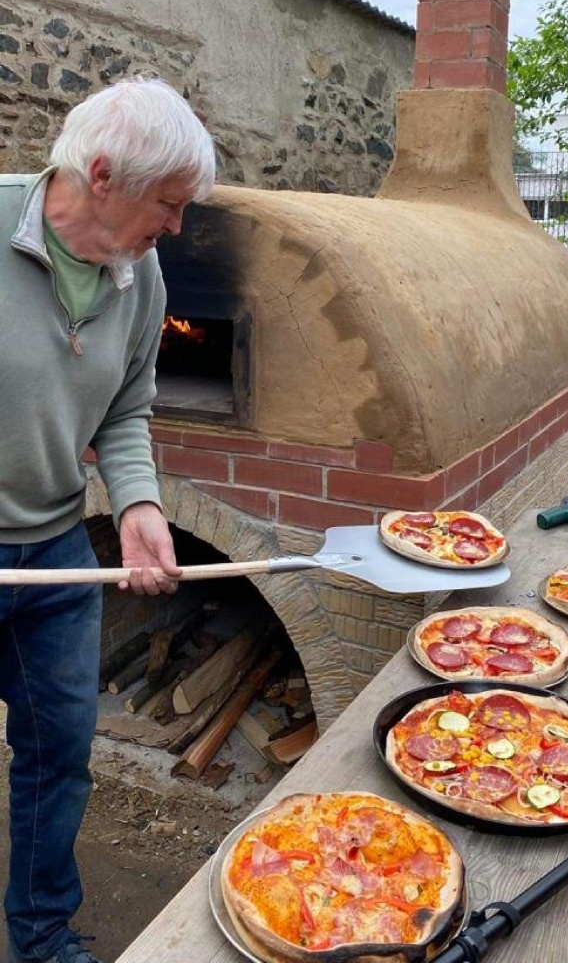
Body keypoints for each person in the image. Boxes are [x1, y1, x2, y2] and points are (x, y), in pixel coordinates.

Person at [0, 76, 216, 963]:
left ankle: (42, 936)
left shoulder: (141, 271)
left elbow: (127, 408)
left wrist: (137, 505)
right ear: (99, 175)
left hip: (55, 553)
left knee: (59, 756)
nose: (175, 226)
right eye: (167, 204)